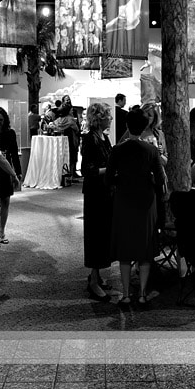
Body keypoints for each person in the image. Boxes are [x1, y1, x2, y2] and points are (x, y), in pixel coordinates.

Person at [107, 108, 165, 306]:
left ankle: (125, 294)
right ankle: (141, 294)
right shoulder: (151, 150)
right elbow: (159, 179)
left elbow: (108, 178)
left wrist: (122, 179)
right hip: (146, 202)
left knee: (125, 246)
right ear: (144, 126)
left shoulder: (117, 149)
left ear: (126, 125)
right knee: (145, 248)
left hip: (123, 200)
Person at [80, 102, 114, 302]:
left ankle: (96, 275)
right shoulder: (90, 139)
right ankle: (93, 280)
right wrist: (110, 170)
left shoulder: (103, 137)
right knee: (96, 235)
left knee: (103, 234)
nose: (110, 118)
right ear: (99, 118)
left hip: (105, 191)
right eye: (108, 116)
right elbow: (87, 171)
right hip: (95, 194)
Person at [0, 107, 22, 246]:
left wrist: (18, 172)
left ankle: (2, 231)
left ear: (5, 120)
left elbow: (14, 153)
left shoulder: (10, 133)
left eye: (1, 120)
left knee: (6, 201)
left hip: (6, 170)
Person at [55, 96, 81, 177]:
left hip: (65, 138)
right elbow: (76, 129)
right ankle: (71, 172)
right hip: (71, 137)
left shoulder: (59, 120)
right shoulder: (70, 119)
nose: (68, 101)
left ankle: (69, 172)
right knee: (72, 154)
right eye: (67, 100)